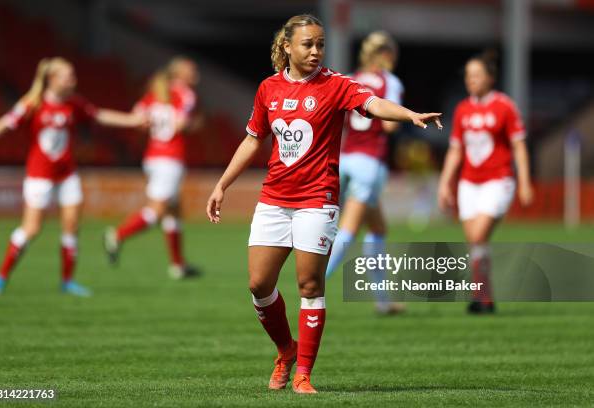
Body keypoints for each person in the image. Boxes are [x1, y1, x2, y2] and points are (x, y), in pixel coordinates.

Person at [205, 14, 442, 393]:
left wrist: (410, 114)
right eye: (307, 44)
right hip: (274, 199)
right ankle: (286, 351)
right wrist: (222, 185)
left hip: (318, 198)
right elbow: (253, 139)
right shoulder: (268, 88)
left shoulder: (335, 85)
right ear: (287, 47)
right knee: (258, 284)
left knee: (309, 284)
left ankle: (303, 375)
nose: (316, 51)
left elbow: (374, 103)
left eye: (320, 44)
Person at [0, 57, 147, 297]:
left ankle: (67, 281)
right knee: (31, 229)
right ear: (52, 79)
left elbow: (99, 115)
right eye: (68, 75)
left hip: (67, 175)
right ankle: (1, 276)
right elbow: (6, 123)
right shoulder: (32, 104)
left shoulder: (74, 103)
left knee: (71, 226)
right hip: (39, 175)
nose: (73, 80)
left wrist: (132, 120)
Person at [437, 51, 533, 314]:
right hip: (468, 183)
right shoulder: (462, 109)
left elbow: (519, 146)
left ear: (491, 78)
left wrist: (524, 181)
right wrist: (445, 183)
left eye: (477, 75)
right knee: (475, 241)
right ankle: (484, 298)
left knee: (478, 235)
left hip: (498, 181)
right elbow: (456, 149)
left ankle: (482, 295)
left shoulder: (505, 106)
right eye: (468, 76)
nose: (472, 80)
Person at [324, 31, 406, 315]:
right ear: (385, 55)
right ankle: (312, 287)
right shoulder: (389, 82)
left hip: (345, 157)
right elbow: (389, 126)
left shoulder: (350, 79)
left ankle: (383, 302)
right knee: (348, 228)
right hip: (370, 163)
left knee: (378, 228)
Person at [104, 57, 200, 279]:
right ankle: (117, 235)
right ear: (180, 73)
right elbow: (181, 124)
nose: (195, 71)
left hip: (152, 157)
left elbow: (137, 117)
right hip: (170, 159)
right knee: (157, 211)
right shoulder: (185, 94)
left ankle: (178, 266)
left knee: (173, 211)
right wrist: (193, 124)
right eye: (191, 68)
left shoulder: (155, 94)